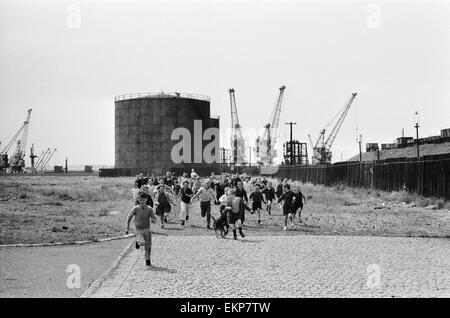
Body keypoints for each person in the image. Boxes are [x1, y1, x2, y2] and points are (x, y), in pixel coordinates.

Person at [126, 192, 157, 266]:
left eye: (143, 200)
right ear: (138, 200)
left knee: (148, 246)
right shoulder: (136, 208)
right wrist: (127, 227)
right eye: (140, 200)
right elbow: (129, 217)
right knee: (141, 242)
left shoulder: (149, 209)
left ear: (146, 199)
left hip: (147, 229)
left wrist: (153, 220)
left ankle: (148, 261)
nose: (141, 201)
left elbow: (154, 218)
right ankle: (138, 242)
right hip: (138, 230)